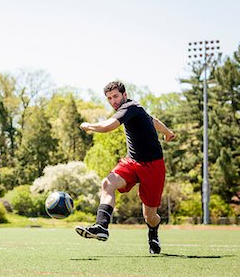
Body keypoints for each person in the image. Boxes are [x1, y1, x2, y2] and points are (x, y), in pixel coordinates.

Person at [75, 81, 175, 254]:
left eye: (115, 96)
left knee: (149, 216)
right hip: (132, 162)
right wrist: (167, 132)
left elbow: (108, 126)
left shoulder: (130, 107)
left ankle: (153, 233)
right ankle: (101, 226)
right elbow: (152, 120)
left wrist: (89, 126)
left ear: (124, 95)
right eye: (109, 98)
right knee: (107, 184)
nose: (113, 101)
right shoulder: (136, 110)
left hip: (153, 166)